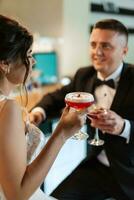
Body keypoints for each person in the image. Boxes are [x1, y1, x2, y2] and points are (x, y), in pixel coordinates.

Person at [30, 18, 134, 200]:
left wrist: (124, 127)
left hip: (130, 171)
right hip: (96, 167)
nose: (97, 52)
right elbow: (56, 97)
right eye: (93, 44)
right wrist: (38, 112)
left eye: (106, 46)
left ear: (124, 51)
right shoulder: (84, 75)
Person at [0, 14, 85, 200]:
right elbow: (17, 195)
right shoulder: (8, 109)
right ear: (5, 64)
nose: (34, 62)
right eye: (29, 55)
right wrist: (61, 133)